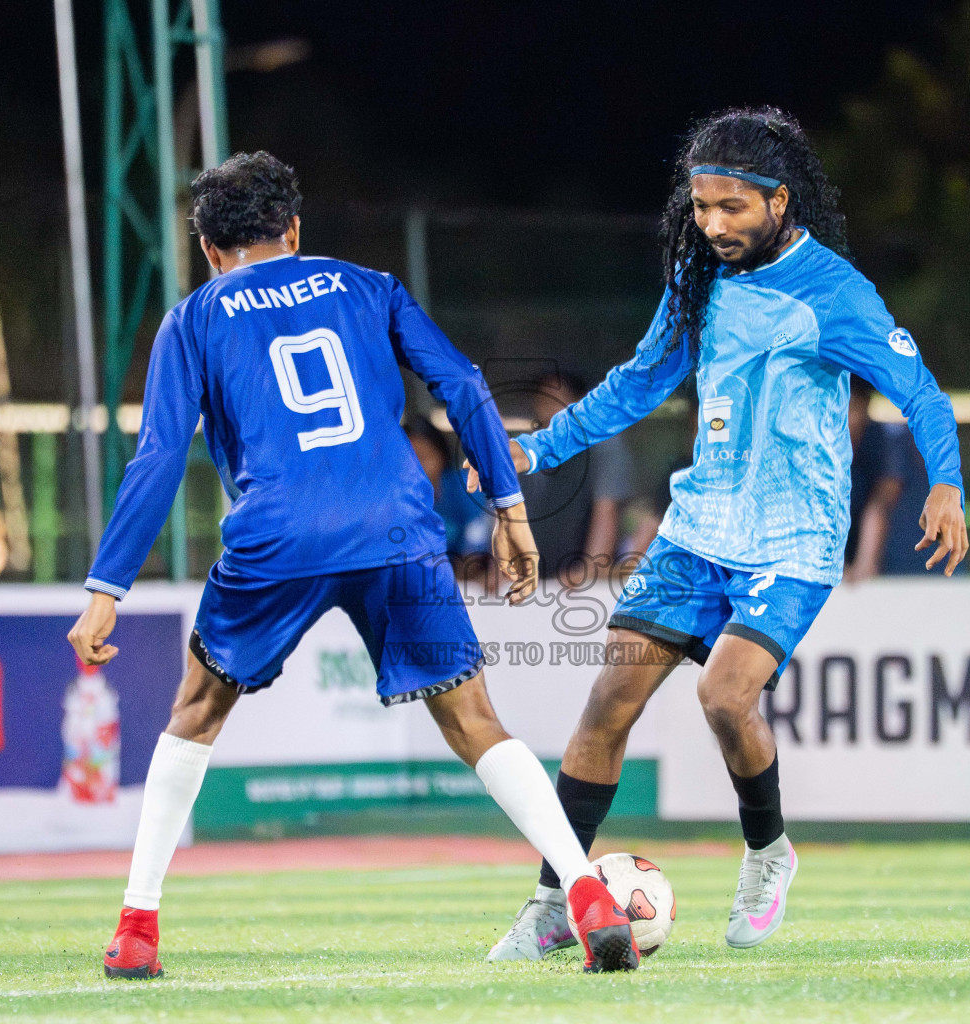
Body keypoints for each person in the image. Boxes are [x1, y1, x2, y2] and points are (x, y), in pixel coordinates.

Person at [68, 152, 640, 979]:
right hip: (396, 529)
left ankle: (137, 931)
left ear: (206, 247)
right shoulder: (370, 285)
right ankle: (587, 895)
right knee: (475, 720)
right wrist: (510, 509)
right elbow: (464, 385)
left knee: (195, 711)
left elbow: (158, 456)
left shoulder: (193, 317)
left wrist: (105, 589)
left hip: (277, 537)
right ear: (295, 230)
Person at [469, 107, 968, 960]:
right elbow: (635, 385)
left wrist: (947, 483)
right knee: (604, 709)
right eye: (701, 208)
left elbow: (921, 391)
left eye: (732, 207)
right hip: (698, 528)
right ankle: (556, 899)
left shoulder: (836, 294)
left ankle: (769, 852)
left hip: (794, 538)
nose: (714, 224)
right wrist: (536, 448)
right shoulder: (699, 281)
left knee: (723, 696)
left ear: (782, 199)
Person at [518, 370, 635, 580]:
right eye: (542, 402)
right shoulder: (529, 452)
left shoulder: (603, 446)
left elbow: (606, 511)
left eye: (558, 401)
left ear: (581, 404)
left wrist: (589, 571)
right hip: (533, 579)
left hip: (578, 584)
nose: (549, 411)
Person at [845, 379, 934, 580]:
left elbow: (880, 506)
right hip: (890, 574)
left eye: (847, 408)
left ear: (864, 405)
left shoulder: (886, 440)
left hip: (920, 570)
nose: (837, 420)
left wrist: (863, 566)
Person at [405, 415, 490, 558]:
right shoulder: (395, 500)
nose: (417, 467)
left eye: (423, 457)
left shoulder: (466, 487)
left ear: (442, 456)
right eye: (408, 459)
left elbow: (478, 547)